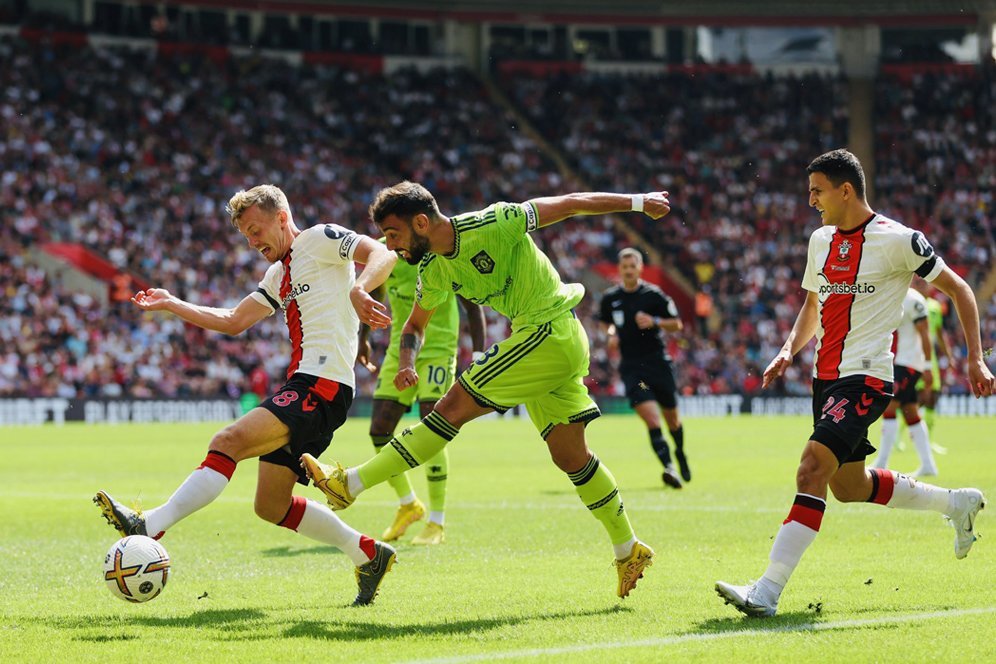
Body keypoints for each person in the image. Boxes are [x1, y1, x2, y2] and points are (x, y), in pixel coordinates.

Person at [301, 181, 671, 598]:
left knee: (450, 408)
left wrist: (638, 203)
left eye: (393, 234)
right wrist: (406, 361)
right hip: (550, 342)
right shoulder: (434, 268)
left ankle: (350, 483)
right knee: (570, 456)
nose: (391, 245)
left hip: (548, 330)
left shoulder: (495, 221)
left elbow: (569, 204)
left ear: (421, 222)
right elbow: (415, 326)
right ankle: (628, 548)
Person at [716, 149, 994, 617]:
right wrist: (788, 349)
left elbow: (960, 289)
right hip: (825, 378)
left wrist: (975, 359)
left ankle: (766, 590)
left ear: (846, 190)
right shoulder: (820, 240)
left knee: (810, 470)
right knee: (847, 485)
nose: (811, 201)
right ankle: (956, 503)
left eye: (817, 190)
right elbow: (812, 305)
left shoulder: (899, 240)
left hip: (866, 376)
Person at [94, 184, 400, 606]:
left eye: (256, 230)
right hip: (312, 387)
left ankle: (149, 526)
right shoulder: (278, 274)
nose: (253, 242)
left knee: (227, 442)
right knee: (271, 505)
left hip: (322, 384)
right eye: (246, 237)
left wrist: (359, 288)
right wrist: (173, 304)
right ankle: (367, 553)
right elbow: (236, 320)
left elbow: (383, 254)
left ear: (281, 217)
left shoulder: (321, 238)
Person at [357, 241, 486, 545]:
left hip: (439, 350)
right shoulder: (385, 256)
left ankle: (436, 522)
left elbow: (472, 306)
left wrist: (479, 355)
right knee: (379, 430)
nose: (388, 237)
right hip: (399, 350)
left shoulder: (441, 253)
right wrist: (363, 337)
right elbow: (374, 293)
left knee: (433, 426)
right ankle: (408, 504)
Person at [598, 247, 689, 488]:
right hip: (633, 369)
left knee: (673, 420)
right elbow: (605, 324)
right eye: (624, 267)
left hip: (658, 363)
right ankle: (669, 468)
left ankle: (679, 451)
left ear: (639, 268)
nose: (628, 271)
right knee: (651, 417)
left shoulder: (654, 295)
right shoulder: (610, 298)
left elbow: (677, 325)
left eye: (632, 266)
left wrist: (655, 321)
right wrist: (610, 335)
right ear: (620, 269)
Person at [872, 288, 938, 476]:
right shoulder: (893, 294)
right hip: (899, 361)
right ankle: (928, 465)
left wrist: (927, 366)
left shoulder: (913, 299)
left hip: (908, 363)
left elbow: (925, 333)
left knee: (889, 407)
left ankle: (882, 463)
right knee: (910, 412)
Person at [912, 277, 953, 451]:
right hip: (913, 358)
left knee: (931, 398)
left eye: (924, 283)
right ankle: (899, 438)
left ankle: (928, 441)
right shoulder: (911, 302)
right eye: (918, 282)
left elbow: (939, 333)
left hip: (932, 360)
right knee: (911, 399)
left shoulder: (935, 306)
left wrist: (949, 356)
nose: (922, 285)